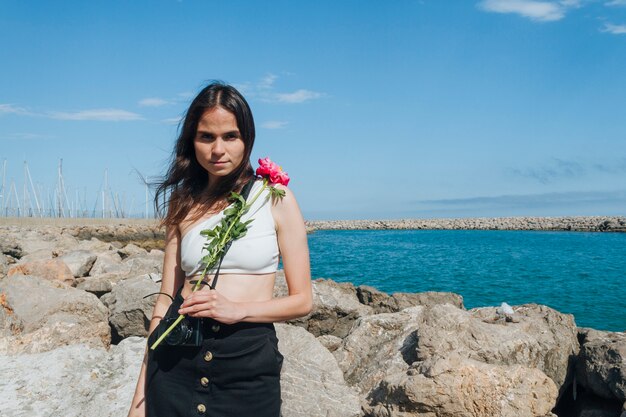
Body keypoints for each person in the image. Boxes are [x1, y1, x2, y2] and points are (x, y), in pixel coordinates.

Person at [127, 81, 313, 417]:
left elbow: (303, 300)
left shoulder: (275, 198)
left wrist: (237, 309)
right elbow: (166, 298)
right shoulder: (182, 202)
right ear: (191, 141)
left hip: (247, 366)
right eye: (206, 137)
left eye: (230, 136)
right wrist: (140, 396)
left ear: (247, 139)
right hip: (174, 365)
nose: (218, 149)